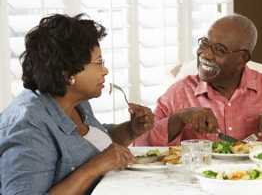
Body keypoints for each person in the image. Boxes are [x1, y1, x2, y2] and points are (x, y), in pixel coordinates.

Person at [0, 14, 154, 195]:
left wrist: (131, 130)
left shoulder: (74, 101)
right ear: (67, 73)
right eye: (98, 63)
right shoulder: (28, 127)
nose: (105, 70)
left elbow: (91, 143)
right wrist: (94, 168)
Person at [134, 14, 262, 146]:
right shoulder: (180, 92)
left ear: (242, 59)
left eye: (219, 50)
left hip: (259, 183)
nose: (205, 54)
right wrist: (180, 119)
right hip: (197, 185)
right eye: (204, 44)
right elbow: (142, 143)